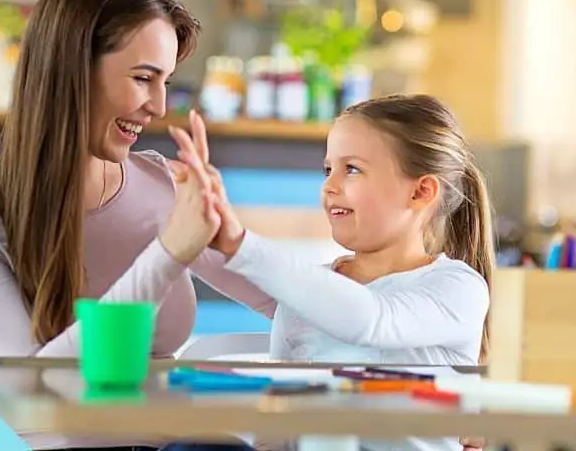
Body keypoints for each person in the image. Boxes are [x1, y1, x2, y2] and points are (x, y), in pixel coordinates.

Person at [0, 0, 270, 451]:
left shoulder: (162, 185)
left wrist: (393, 275)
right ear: (73, 68)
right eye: (144, 78)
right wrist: (165, 256)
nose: (159, 106)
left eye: (165, 81)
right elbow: (30, 387)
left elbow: (278, 296)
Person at [174, 94, 493, 451]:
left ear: (421, 191)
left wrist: (240, 245)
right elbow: (276, 427)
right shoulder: (308, 294)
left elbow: (370, 320)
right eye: (328, 169)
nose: (329, 186)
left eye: (352, 169)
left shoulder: (457, 287)